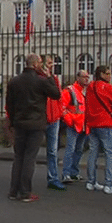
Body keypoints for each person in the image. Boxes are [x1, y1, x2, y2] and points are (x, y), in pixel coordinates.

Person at [6, 53, 60, 202]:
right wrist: (50, 76)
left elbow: (10, 104)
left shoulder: (14, 81)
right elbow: (56, 94)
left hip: (20, 123)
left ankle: (13, 190)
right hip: (36, 123)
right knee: (29, 157)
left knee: (18, 157)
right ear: (36, 65)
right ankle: (25, 191)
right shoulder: (41, 81)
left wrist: (12, 121)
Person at [85, 65, 112, 194]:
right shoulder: (107, 87)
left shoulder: (90, 86)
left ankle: (91, 181)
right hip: (105, 122)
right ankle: (109, 183)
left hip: (92, 123)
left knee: (93, 153)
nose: (109, 75)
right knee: (109, 153)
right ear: (101, 74)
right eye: (107, 73)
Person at [61, 70, 90, 184]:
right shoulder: (70, 91)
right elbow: (62, 107)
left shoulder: (85, 91)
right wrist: (69, 120)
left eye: (87, 77)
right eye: (84, 77)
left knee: (78, 149)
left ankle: (74, 172)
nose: (86, 79)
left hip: (82, 125)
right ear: (78, 78)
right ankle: (66, 173)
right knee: (71, 149)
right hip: (74, 124)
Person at [42, 55, 66, 191]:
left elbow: (58, 95)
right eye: (50, 63)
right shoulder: (40, 80)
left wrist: (59, 113)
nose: (52, 65)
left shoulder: (54, 79)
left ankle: (53, 178)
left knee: (52, 151)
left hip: (54, 118)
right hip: (43, 117)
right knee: (32, 151)